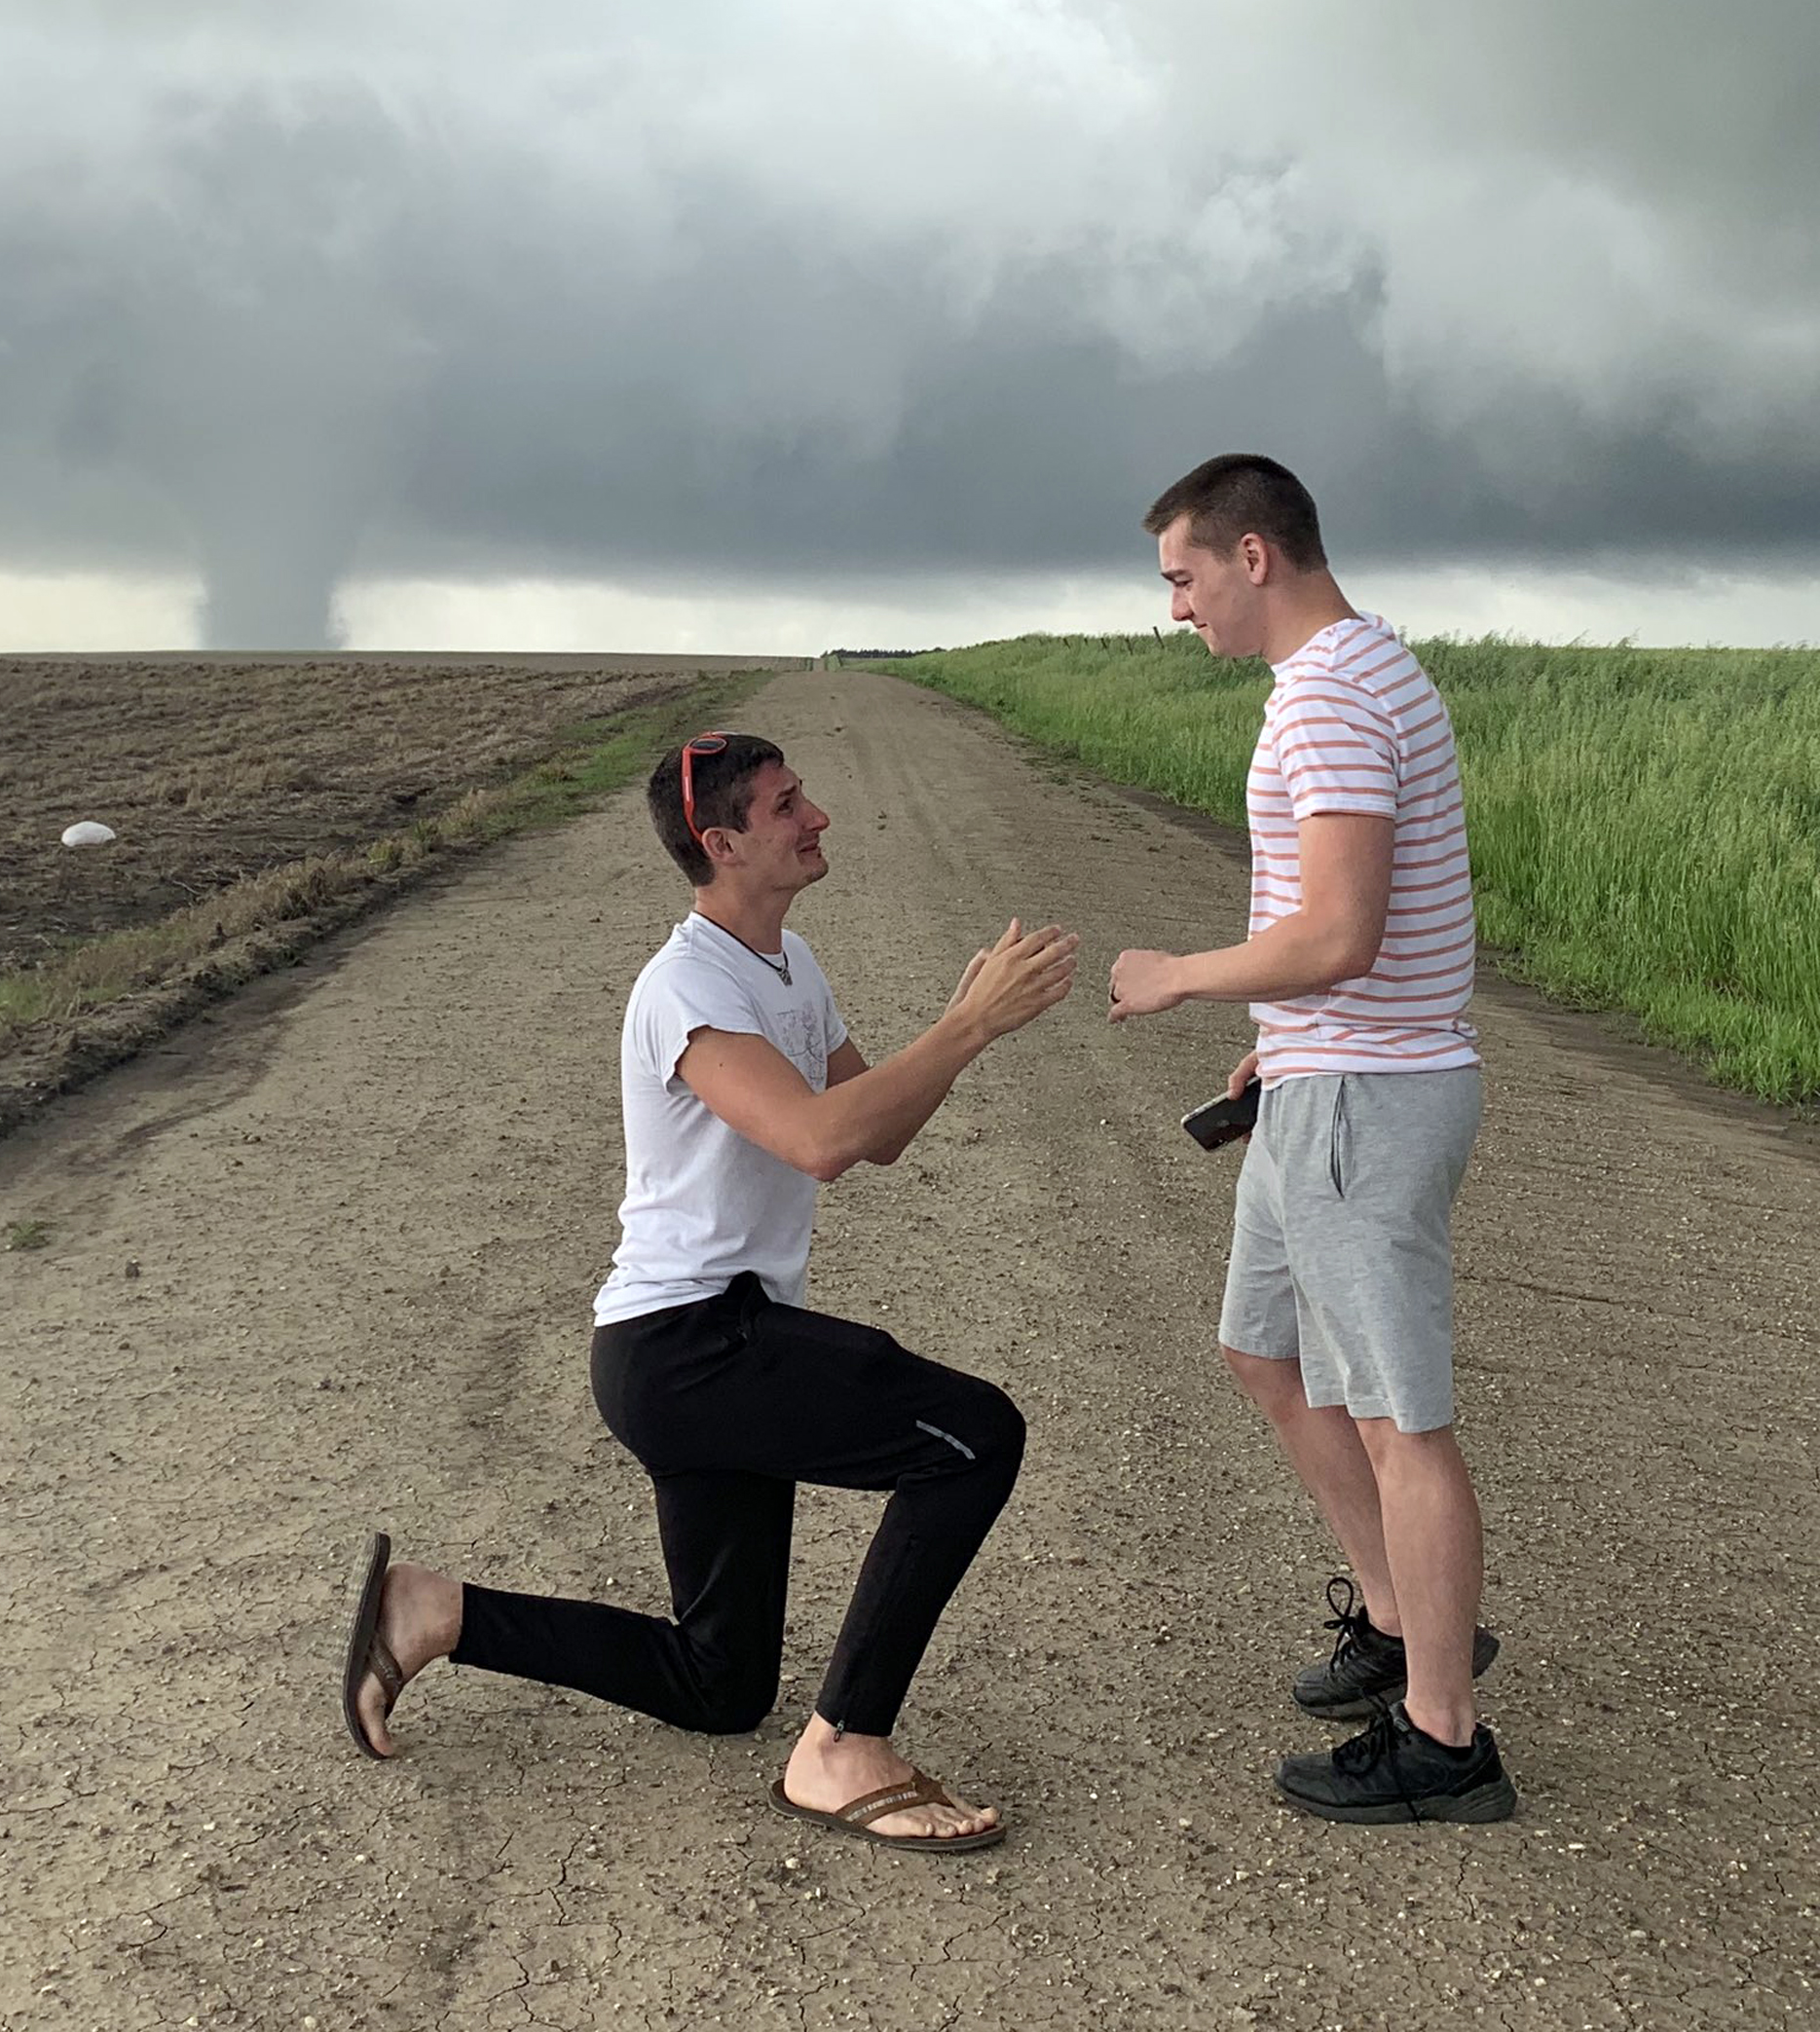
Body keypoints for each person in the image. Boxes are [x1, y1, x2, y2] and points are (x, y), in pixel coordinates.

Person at [343, 729, 1078, 1849]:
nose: (817, 815)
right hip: (684, 1345)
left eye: (806, 795)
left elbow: (871, 1130)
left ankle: (436, 1610)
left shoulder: (790, 964)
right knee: (972, 1435)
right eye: (788, 805)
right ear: (722, 842)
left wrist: (963, 1027)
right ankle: (841, 1747)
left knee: (718, 1683)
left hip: (713, 1347)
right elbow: (818, 1141)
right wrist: (966, 1021)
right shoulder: (685, 986)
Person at [1106, 455, 1516, 1827]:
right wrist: (1279, 1038)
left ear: (1253, 556)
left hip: (1370, 1100)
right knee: (1262, 1352)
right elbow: (1359, 937)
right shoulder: (1359, 671)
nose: (1176, 609)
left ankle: (1446, 1739)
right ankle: (1404, 1628)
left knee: (1404, 1421)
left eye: (1182, 576)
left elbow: (1339, 932)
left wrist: (1183, 973)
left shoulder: (1332, 697)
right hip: (1326, 1073)